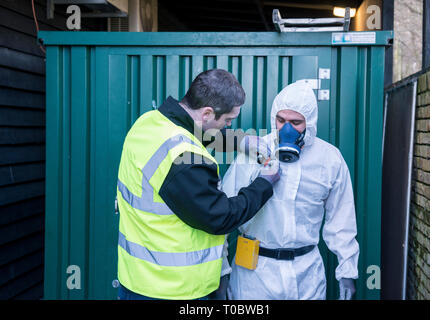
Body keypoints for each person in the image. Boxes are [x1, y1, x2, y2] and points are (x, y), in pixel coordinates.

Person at [115, 69, 281, 300]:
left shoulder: (149, 123)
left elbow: (189, 131)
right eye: (227, 120)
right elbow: (220, 216)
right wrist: (265, 182)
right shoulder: (184, 160)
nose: (228, 125)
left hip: (136, 278)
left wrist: (240, 140)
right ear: (207, 113)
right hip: (172, 289)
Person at [221, 80, 360, 300]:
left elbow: (341, 221)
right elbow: (225, 213)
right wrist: (222, 273)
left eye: (296, 122)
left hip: (307, 274)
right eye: (281, 120)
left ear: (310, 123)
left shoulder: (329, 159)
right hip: (254, 274)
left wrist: (347, 272)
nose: (287, 128)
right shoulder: (253, 153)